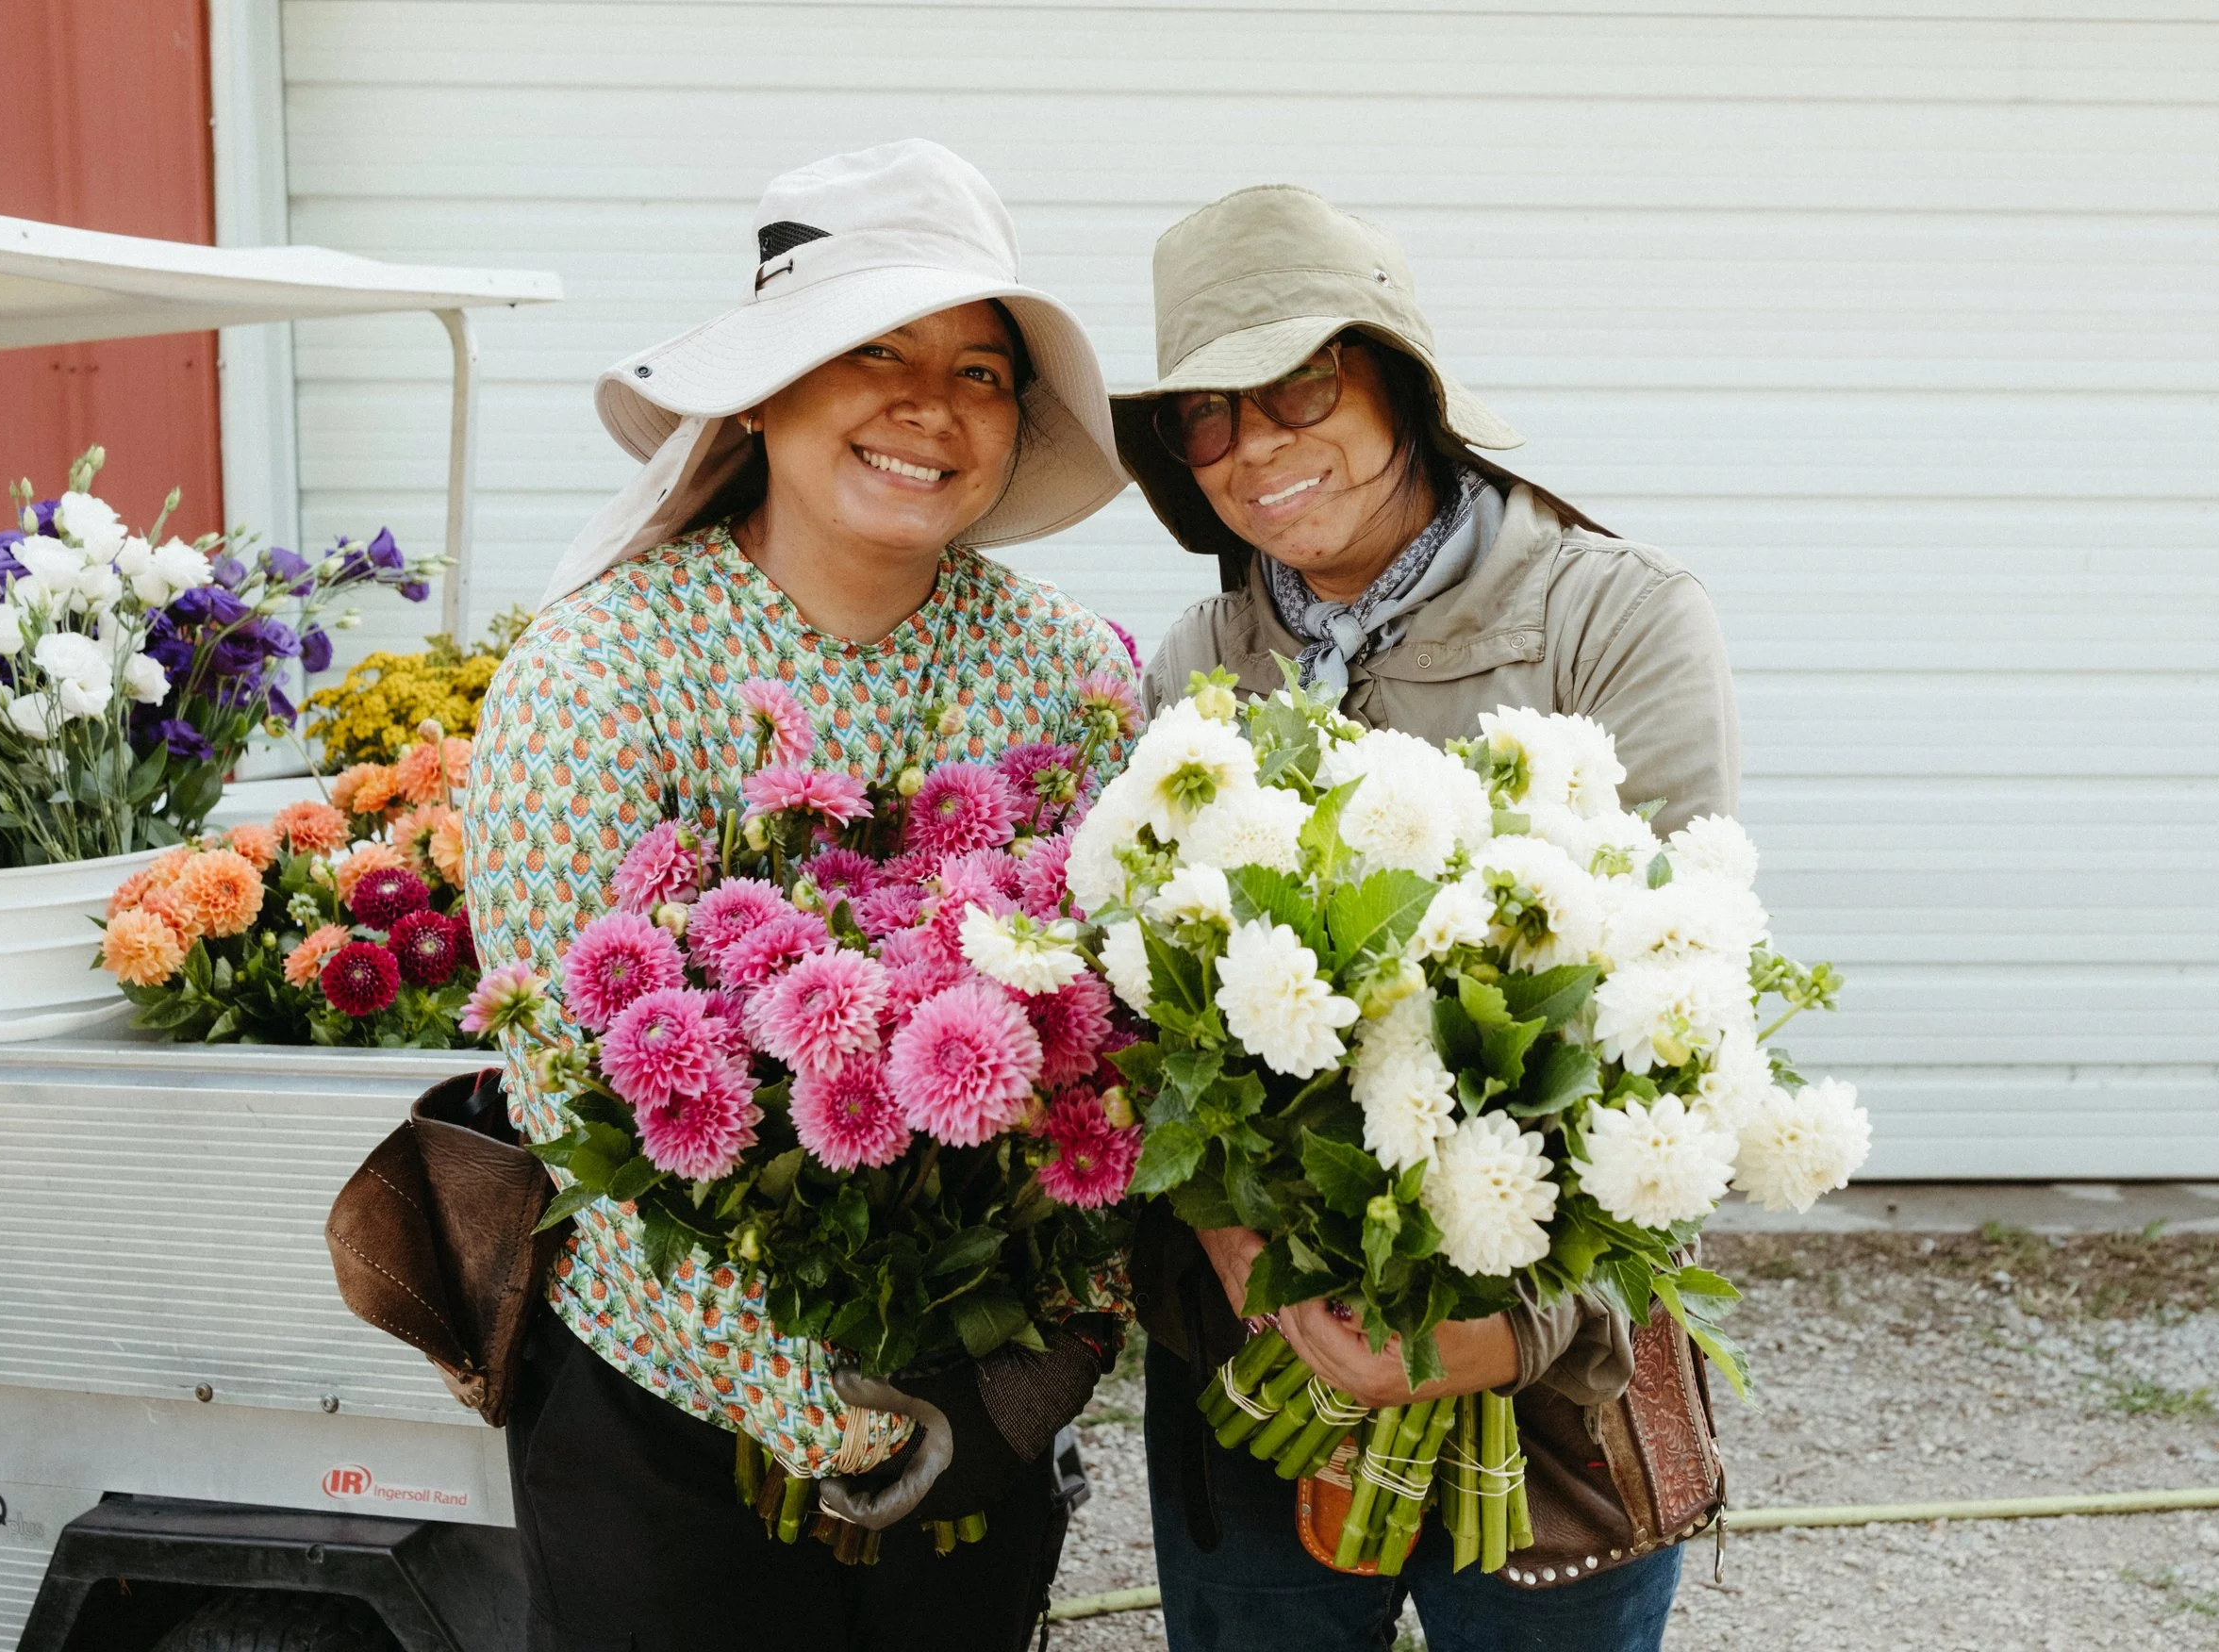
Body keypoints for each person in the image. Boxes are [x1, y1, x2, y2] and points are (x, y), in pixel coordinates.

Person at [464, 140, 1135, 1652]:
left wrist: (1034, 1367)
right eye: (872, 350)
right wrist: (830, 1418)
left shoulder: (1069, 676)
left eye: (978, 369)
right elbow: (580, 1105)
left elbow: (1126, 1048)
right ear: (763, 389)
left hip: (979, 1395)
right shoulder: (601, 674)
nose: (930, 404)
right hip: (665, 1421)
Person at [1110, 185, 1740, 1652]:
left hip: (1551, 1391)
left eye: (1301, 387)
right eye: (1207, 417)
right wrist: (1239, 1261)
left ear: (1403, 382)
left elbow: (1682, 1021)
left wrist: (1504, 1329)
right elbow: (1155, 1017)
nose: (1258, 445)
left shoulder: (1617, 620)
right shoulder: (1200, 663)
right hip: (1261, 1354)